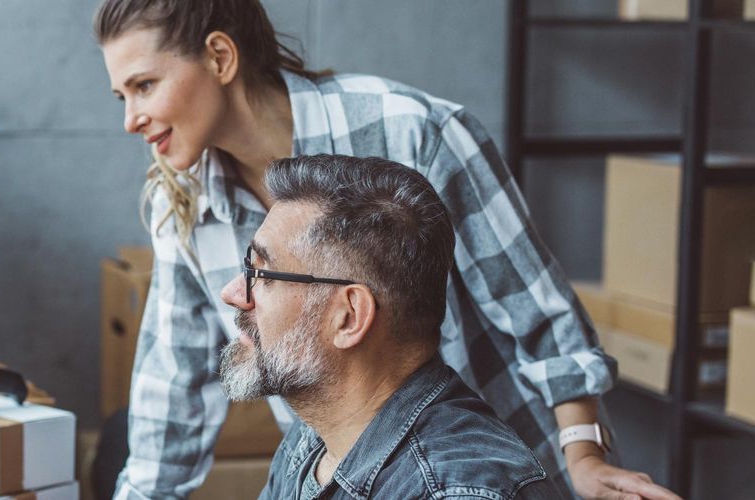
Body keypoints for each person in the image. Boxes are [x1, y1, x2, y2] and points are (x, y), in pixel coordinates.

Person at [93, 1, 679, 498]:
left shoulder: (409, 131)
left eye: (144, 85)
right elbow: (170, 387)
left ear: (220, 57)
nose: (129, 119)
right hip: (343, 472)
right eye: (121, 94)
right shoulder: (182, 200)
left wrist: (584, 457)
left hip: (489, 468)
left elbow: (538, 310)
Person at [221, 154, 558, 499]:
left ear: (349, 317)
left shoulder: (455, 492)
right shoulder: (315, 439)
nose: (232, 293)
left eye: (260, 274)